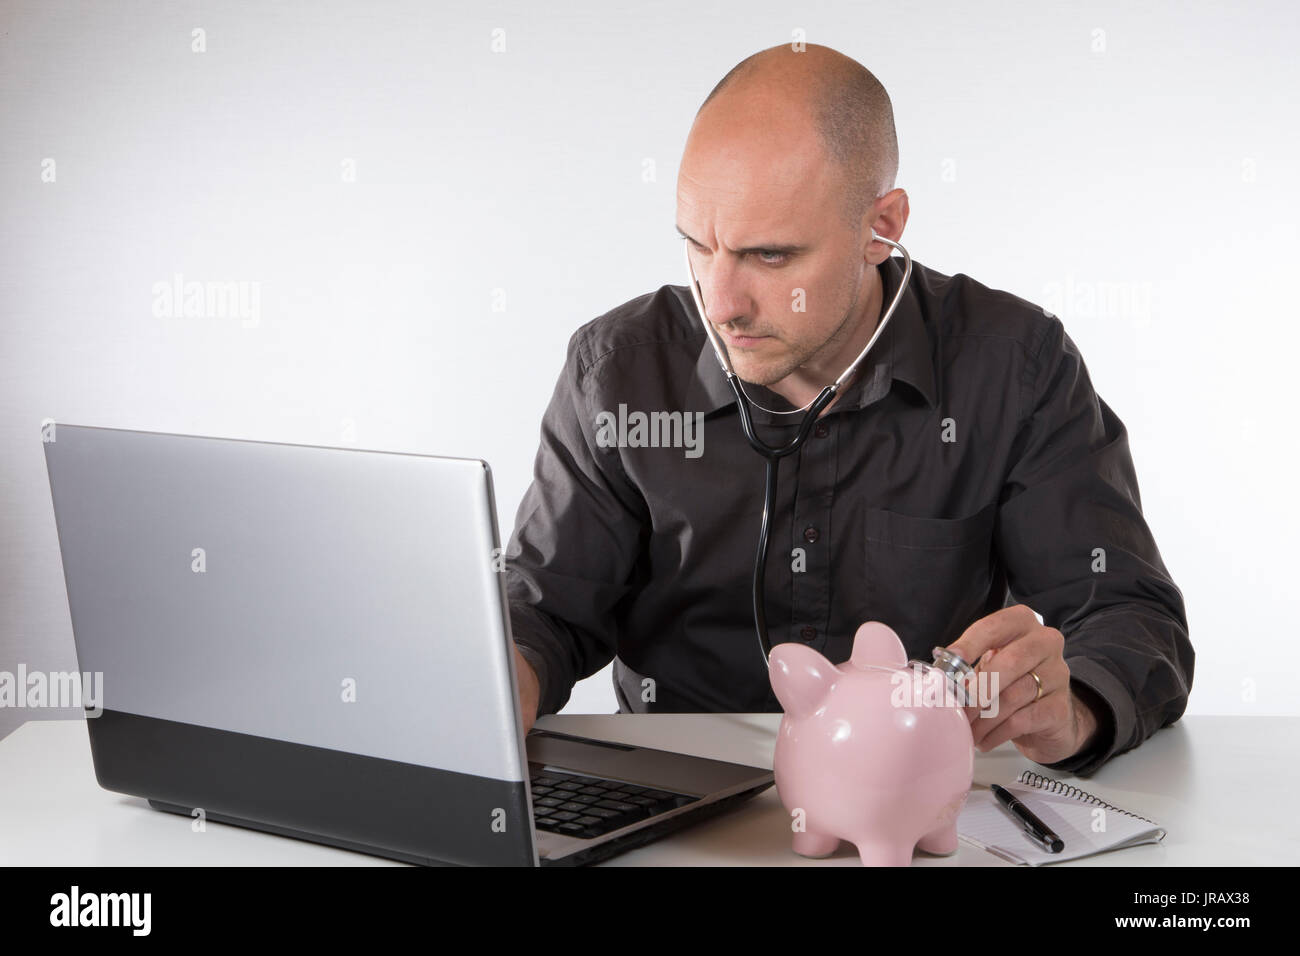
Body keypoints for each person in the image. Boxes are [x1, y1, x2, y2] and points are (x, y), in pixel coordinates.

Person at [504, 43, 1192, 777]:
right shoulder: (618, 372)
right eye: (699, 247)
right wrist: (498, 683)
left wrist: (1074, 704)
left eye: (770, 256)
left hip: (914, 801)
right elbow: (544, 612)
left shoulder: (1012, 366)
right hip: (676, 792)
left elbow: (1126, 612)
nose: (722, 302)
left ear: (881, 226)